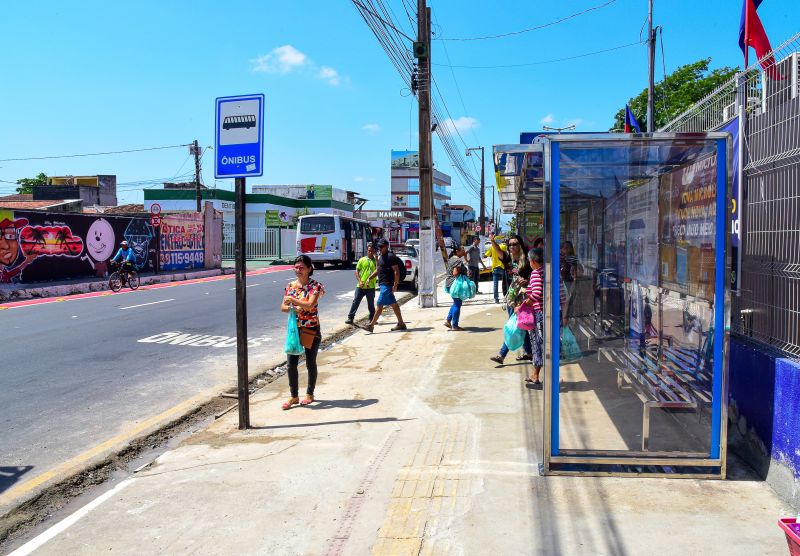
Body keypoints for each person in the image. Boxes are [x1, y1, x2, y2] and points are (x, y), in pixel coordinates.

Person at [280, 255, 325, 409]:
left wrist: (292, 301)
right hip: (295, 330)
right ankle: (294, 396)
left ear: (309, 269)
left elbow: (309, 305)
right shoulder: (290, 286)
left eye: (302, 267)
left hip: (310, 329)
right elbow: (282, 307)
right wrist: (293, 307)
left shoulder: (316, 286)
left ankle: (310, 394)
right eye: (296, 267)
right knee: (291, 364)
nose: (298, 270)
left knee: (310, 362)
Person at [490, 235, 533, 364]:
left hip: (521, 299)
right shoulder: (508, 259)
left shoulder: (527, 261)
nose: (512, 247)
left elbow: (535, 276)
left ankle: (501, 355)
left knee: (513, 326)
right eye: (510, 245)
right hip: (510, 298)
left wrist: (527, 281)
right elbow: (498, 251)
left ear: (520, 245)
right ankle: (529, 352)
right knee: (520, 326)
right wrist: (492, 241)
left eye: (514, 244)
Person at [363, 239, 407, 333]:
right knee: (394, 305)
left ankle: (371, 326)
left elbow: (396, 271)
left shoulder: (391, 256)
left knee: (379, 306)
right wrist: (369, 278)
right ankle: (401, 324)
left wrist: (395, 285)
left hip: (387, 285)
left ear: (386, 246)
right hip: (383, 284)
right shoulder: (380, 257)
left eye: (382, 246)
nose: (380, 248)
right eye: (379, 247)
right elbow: (378, 270)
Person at [345, 243, 377, 325]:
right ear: (367, 250)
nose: (370, 252)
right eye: (369, 250)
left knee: (371, 304)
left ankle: (372, 319)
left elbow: (378, 271)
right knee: (356, 302)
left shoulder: (376, 261)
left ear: (374, 251)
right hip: (360, 286)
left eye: (372, 251)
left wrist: (377, 260)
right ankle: (350, 318)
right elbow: (357, 271)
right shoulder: (362, 260)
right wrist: (359, 281)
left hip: (371, 286)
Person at [444, 245, 469, 331]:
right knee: (458, 304)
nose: (464, 251)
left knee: (455, 303)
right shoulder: (457, 260)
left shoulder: (451, 259)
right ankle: (455, 325)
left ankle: (448, 320)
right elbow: (455, 273)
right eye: (462, 250)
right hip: (455, 284)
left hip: (449, 283)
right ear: (457, 251)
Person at [485, 234, 508, 303]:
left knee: (495, 284)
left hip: (495, 267)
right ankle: (506, 297)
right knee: (505, 283)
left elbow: (485, 255)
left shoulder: (492, 247)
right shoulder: (504, 246)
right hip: (502, 267)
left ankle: (496, 298)